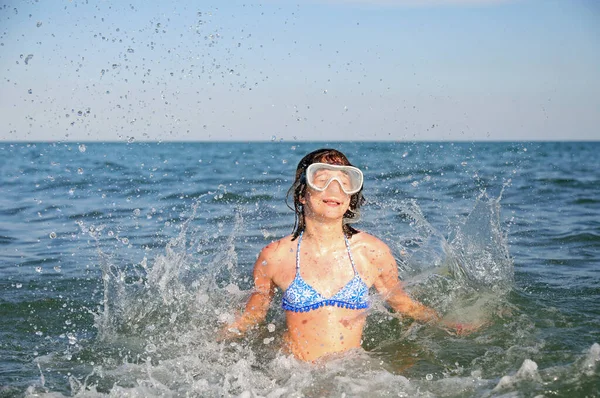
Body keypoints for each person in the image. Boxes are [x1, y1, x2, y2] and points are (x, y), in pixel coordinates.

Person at [222, 148, 467, 362]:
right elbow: (253, 315)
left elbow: (403, 303)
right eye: (323, 179)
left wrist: (450, 325)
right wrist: (218, 337)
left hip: (349, 376)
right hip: (292, 375)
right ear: (302, 194)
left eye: (344, 181)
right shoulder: (275, 256)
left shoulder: (371, 252)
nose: (335, 189)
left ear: (350, 198)